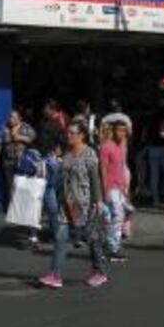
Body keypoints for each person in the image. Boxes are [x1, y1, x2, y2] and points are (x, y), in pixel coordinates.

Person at [39, 122, 108, 289]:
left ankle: (99, 272)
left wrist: (99, 200)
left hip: (86, 204)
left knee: (92, 239)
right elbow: (62, 179)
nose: (68, 136)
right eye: (68, 133)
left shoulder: (90, 154)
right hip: (69, 204)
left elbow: (95, 178)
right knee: (61, 237)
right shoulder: (68, 155)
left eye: (72, 133)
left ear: (81, 135)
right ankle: (55, 275)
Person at [0, 110, 36, 210]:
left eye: (14, 117)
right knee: (11, 185)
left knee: (22, 185)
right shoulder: (4, 128)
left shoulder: (25, 127)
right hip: (8, 161)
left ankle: (24, 208)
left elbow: (33, 137)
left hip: (22, 161)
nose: (11, 119)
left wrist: (20, 137)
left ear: (19, 118)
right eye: (10, 117)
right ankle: (14, 209)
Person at [100, 121, 130, 262]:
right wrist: (105, 190)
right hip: (110, 187)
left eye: (124, 131)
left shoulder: (122, 147)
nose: (121, 134)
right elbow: (103, 170)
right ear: (113, 131)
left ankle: (109, 246)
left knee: (116, 218)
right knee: (116, 217)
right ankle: (113, 249)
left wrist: (125, 187)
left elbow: (122, 168)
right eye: (119, 130)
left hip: (120, 188)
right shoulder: (106, 147)